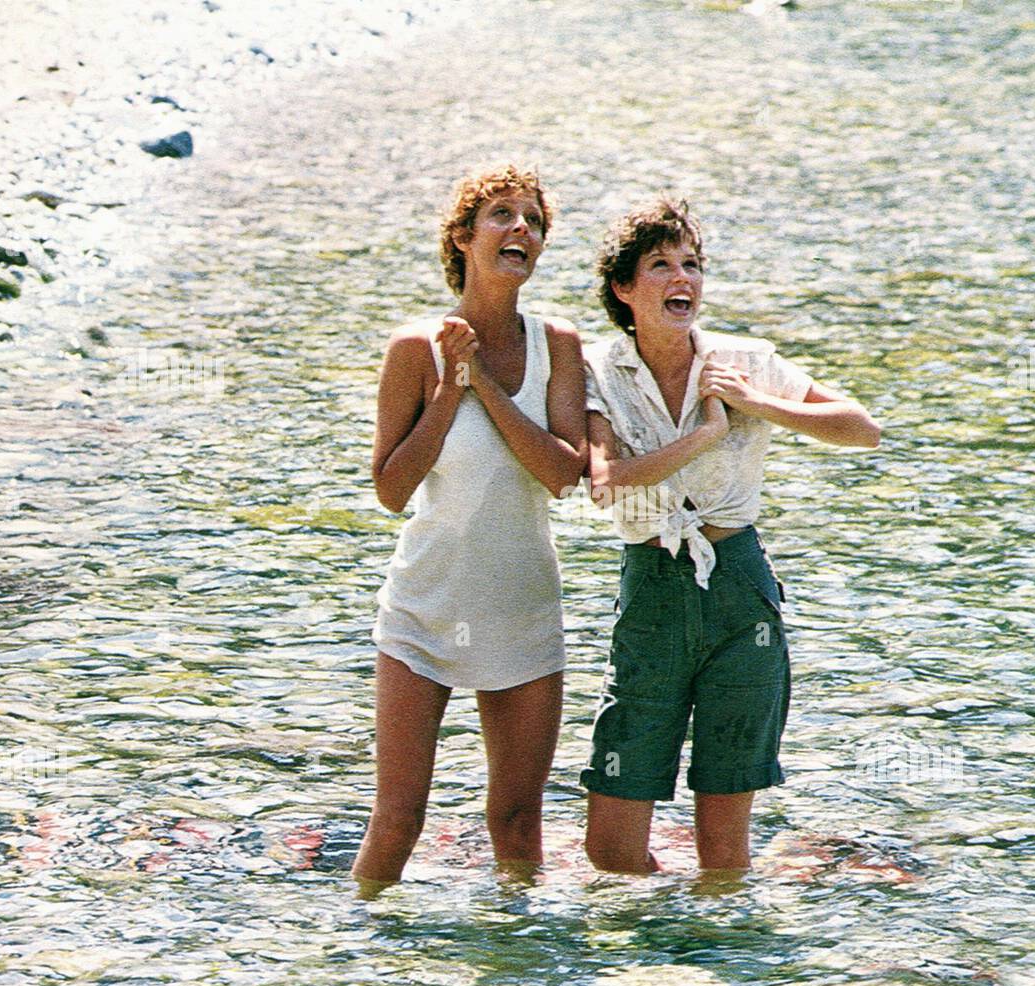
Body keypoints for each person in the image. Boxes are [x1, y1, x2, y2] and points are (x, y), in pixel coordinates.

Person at [581, 197, 881, 874]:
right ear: (624, 288)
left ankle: (711, 969)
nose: (681, 278)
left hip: (740, 590)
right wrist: (709, 435)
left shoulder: (742, 359)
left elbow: (863, 430)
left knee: (722, 848)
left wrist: (756, 404)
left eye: (690, 264)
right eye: (660, 265)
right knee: (610, 845)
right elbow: (607, 481)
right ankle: (648, 960)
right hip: (652, 587)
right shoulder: (596, 367)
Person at [352, 166, 587, 891]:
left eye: (534, 221)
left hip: (520, 607)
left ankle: (521, 985)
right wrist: (451, 389)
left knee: (517, 822)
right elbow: (391, 490)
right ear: (463, 238)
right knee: (400, 820)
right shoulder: (414, 349)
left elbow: (562, 473)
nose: (522, 228)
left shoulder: (559, 345)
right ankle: (354, 969)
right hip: (426, 610)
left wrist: (483, 379)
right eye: (503, 216)